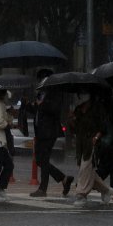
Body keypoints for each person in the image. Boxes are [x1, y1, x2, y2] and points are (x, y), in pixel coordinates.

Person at [25, 69, 74, 197]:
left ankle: (43, 189)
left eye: (42, 79)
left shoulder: (55, 92)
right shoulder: (41, 93)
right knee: (41, 160)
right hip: (40, 131)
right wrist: (28, 105)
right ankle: (64, 179)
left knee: (43, 159)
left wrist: (41, 104)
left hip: (49, 131)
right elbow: (37, 110)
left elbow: (54, 109)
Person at [70, 92, 113, 207]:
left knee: (85, 168)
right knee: (88, 171)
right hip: (81, 144)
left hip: (92, 143)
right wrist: (72, 120)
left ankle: (81, 194)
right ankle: (106, 190)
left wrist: (96, 137)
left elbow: (102, 126)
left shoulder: (97, 108)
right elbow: (75, 128)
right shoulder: (78, 110)